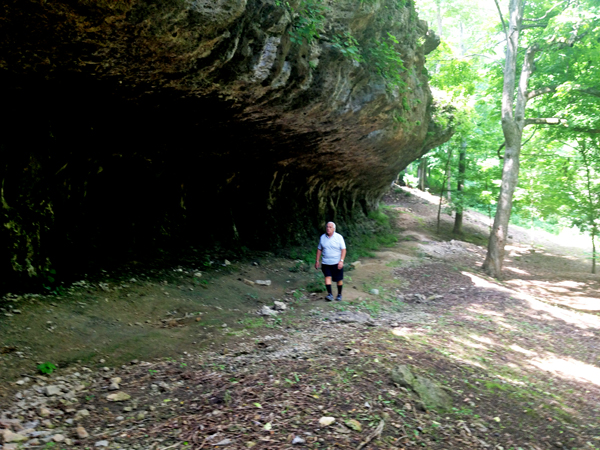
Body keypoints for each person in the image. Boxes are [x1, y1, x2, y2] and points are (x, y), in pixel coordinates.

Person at [315, 221, 346, 301]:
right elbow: (319, 249)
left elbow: (343, 250)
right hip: (325, 262)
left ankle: (339, 294)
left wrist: (341, 261)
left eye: (330, 227)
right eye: (327, 227)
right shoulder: (322, 237)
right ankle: (330, 294)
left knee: (338, 279)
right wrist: (317, 261)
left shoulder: (339, 237)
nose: (328, 228)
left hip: (336, 262)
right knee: (327, 277)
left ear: (334, 229)